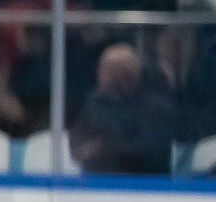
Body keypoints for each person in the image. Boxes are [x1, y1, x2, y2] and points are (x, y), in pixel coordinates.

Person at [70, 44, 176, 176]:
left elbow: (147, 153)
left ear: (122, 73)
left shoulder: (155, 107)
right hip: (96, 182)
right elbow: (78, 136)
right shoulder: (96, 102)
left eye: (104, 70)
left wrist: (104, 150)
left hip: (144, 186)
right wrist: (83, 148)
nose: (98, 73)